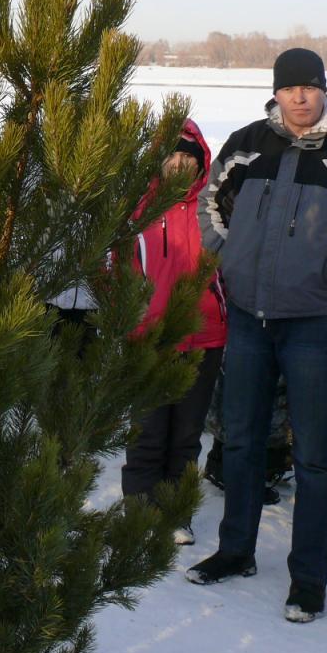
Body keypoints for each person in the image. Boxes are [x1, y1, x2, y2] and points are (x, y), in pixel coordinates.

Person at [188, 47, 327, 623]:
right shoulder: (248, 143)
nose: (300, 97)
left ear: (324, 89)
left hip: (314, 324)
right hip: (249, 318)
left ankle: (309, 579)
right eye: (289, 87)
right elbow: (209, 202)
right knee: (241, 441)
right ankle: (235, 551)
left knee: (316, 456)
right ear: (275, 92)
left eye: (309, 86)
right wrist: (229, 259)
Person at [120, 120, 226, 545]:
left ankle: (176, 513)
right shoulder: (138, 208)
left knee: (186, 435)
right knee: (147, 430)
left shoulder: (215, 208)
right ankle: (140, 510)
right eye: (172, 155)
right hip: (150, 335)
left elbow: (233, 265)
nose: (179, 163)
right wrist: (128, 314)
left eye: (188, 156)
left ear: (201, 162)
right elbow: (114, 267)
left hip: (205, 335)